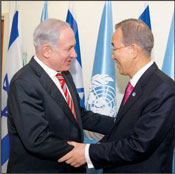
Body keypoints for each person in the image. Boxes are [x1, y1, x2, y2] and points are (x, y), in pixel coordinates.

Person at [58, 18, 175, 173]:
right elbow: (123, 130)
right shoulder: (138, 84)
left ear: (133, 50)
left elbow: (139, 146)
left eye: (114, 48)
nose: (112, 56)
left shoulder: (163, 88)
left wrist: (88, 153)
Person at [7, 18, 115, 173]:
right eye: (69, 48)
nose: (75, 54)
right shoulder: (24, 82)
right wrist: (86, 153)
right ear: (46, 51)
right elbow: (37, 139)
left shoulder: (63, 74)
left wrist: (120, 123)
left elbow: (78, 115)